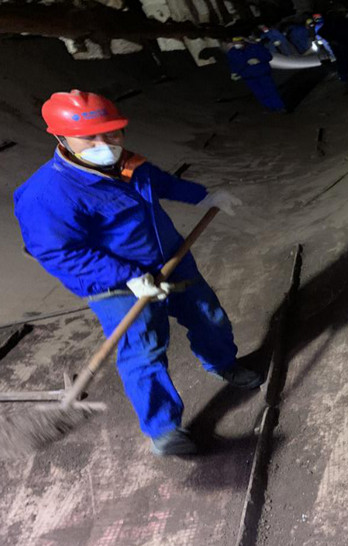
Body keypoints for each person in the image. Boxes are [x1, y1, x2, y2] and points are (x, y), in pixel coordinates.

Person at [13, 90, 260, 456]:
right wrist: (126, 277)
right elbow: (59, 254)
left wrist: (204, 196)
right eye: (89, 138)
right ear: (61, 138)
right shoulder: (47, 195)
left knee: (210, 318)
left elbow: (162, 182)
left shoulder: (128, 164)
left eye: (111, 133)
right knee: (144, 352)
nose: (104, 144)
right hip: (115, 285)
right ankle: (164, 429)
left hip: (171, 260)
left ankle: (223, 363)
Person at [226, 36, 286, 113]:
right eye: (235, 43)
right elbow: (233, 64)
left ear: (243, 42)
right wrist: (234, 72)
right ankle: (268, 107)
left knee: (270, 90)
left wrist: (259, 60)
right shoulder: (232, 52)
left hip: (261, 73)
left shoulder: (255, 47)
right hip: (248, 76)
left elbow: (268, 56)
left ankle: (279, 107)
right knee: (259, 93)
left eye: (238, 42)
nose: (236, 45)